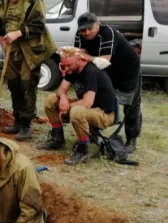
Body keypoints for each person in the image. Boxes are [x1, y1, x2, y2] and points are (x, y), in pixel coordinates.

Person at [0, 0, 56, 141]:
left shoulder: (34, 0)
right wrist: (1, 39)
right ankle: (17, 121)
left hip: (31, 50)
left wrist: (18, 33)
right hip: (12, 51)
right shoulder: (2, 2)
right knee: (14, 85)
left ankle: (26, 125)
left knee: (27, 85)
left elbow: (39, 25)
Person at [74, 12, 142, 153]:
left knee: (130, 106)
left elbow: (104, 61)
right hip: (105, 72)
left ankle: (132, 139)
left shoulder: (108, 32)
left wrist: (83, 56)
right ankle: (92, 135)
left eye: (89, 28)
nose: (86, 33)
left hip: (127, 71)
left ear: (97, 24)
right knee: (94, 99)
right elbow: (78, 54)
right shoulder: (80, 34)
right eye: (83, 29)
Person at [38, 47, 117, 165]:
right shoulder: (73, 69)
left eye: (68, 65)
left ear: (79, 59)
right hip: (90, 109)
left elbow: (87, 102)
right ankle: (57, 139)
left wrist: (68, 106)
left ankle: (83, 149)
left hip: (104, 114)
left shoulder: (91, 71)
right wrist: (64, 98)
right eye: (63, 66)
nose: (66, 69)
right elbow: (61, 90)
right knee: (51, 100)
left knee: (76, 111)